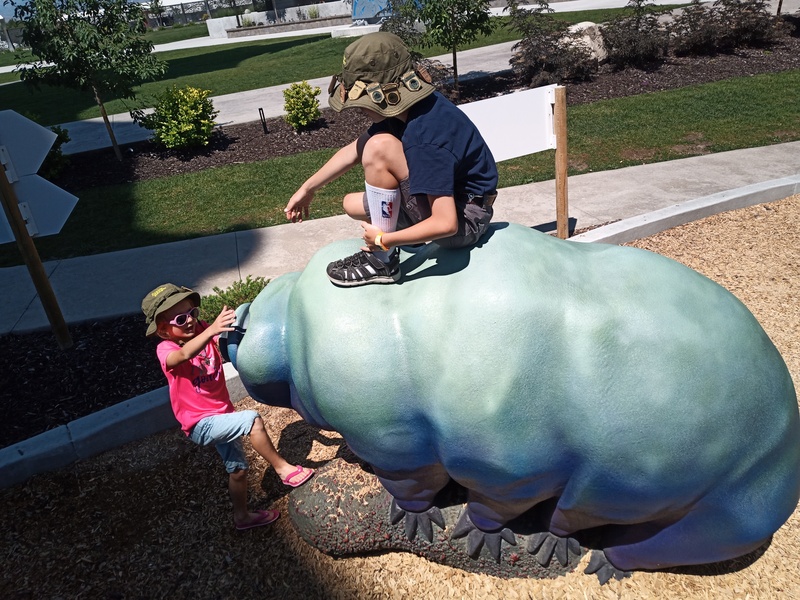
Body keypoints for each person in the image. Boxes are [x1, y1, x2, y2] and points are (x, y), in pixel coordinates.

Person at [284, 32, 499, 287]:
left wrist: (383, 240)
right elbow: (353, 151)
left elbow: (447, 223)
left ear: (383, 93)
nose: (358, 109)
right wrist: (307, 189)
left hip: (465, 219)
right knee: (351, 203)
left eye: (359, 101)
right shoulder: (407, 109)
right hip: (455, 202)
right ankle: (411, 236)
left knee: (380, 147)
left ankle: (382, 262)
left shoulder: (425, 135)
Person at [142, 283, 314, 531]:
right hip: (200, 424)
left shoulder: (200, 328)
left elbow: (225, 331)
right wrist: (211, 329)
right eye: (181, 319)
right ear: (163, 331)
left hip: (222, 415)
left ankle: (242, 517)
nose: (190, 321)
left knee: (238, 470)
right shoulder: (166, 349)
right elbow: (182, 357)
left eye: (192, 313)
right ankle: (283, 469)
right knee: (252, 420)